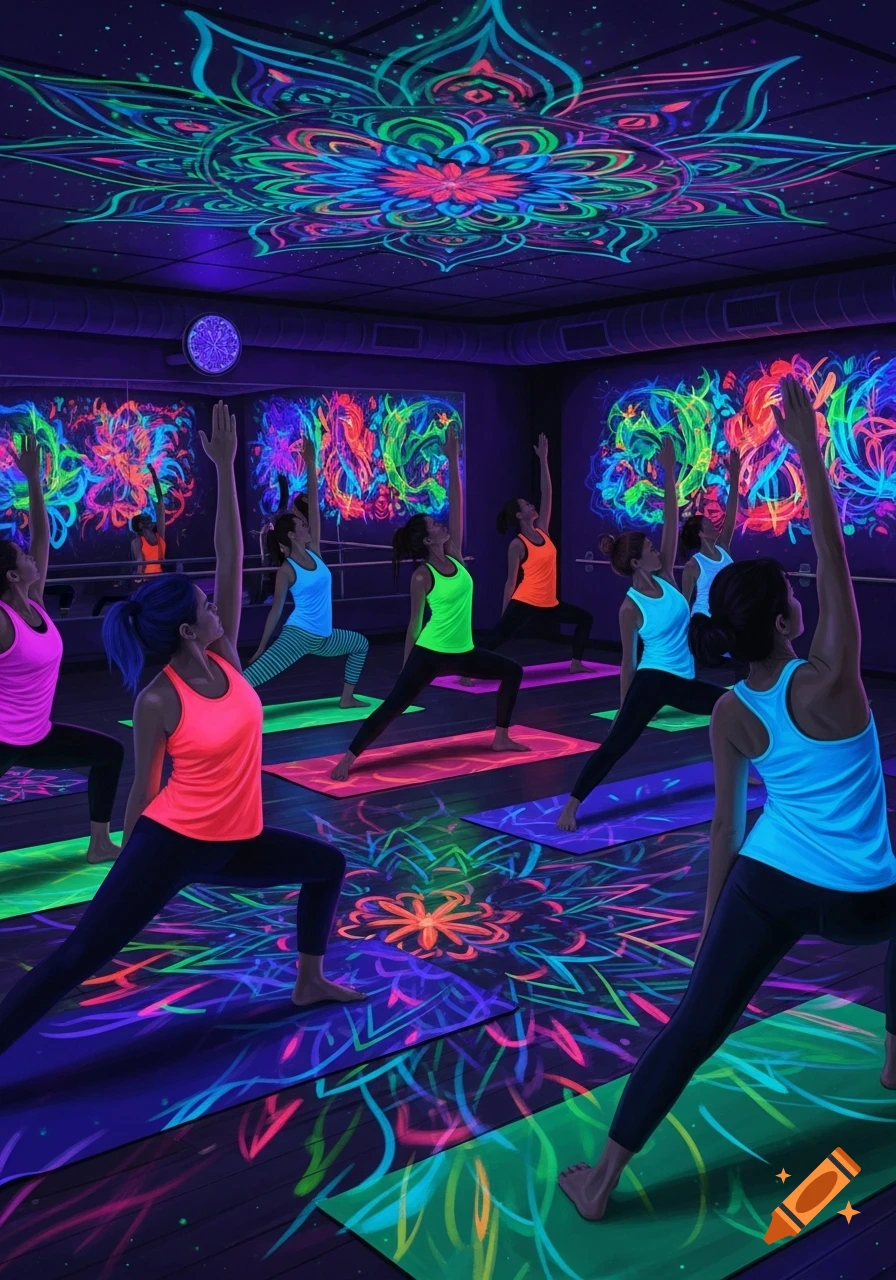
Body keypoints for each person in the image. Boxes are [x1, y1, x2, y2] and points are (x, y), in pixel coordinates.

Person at [558, 375, 896, 1222]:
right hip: (866, 899)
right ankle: (893, 1054)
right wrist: (812, 449)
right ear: (788, 624)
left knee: (696, 1024)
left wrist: (715, 923)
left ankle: (599, 1182)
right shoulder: (833, 681)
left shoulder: (730, 709)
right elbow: (831, 553)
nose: (804, 595)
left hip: (770, 881)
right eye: (793, 598)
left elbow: (726, 822)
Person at [0, 402, 362, 1059]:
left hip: (237, 841)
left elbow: (229, 558)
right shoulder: (159, 699)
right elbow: (143, 791)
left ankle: (309, 982)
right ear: (189, 631)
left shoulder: (223, 656)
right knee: (77, 955)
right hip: (172, 846)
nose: (219, 607)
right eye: (205, 608)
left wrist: (224, 469)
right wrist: (133, 867)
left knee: (326, 866)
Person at [330, 430, 525, 781]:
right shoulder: (423, 575)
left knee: (513, 671)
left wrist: (452, 461)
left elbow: (457, 506)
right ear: (427, 539)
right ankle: (348, 758)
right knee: (393, 706)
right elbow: (414, 624)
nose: (443, 524)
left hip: (464, 651)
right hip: (430, 651)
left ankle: (501, 738)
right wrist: (407, 665)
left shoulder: (455, 555)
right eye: (436, 525)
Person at [557, 438, 725, 832]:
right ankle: (572, 805)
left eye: (654, 546)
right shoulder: (630, 608)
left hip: (683, 678)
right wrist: (622, 706)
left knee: (732, 707)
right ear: (636, 562)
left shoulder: (667, 577)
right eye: (650, 549)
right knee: (617, 745)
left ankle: (743, 769)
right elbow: (627, 662)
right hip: (652, 681)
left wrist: (669, 471)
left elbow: (670, 516)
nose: (658, 550)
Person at [0, 434, 123, 863]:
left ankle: (99, 843)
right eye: (24, 559)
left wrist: (34, 479)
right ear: (12, 576)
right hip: (1, 737)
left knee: (109, 754)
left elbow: (42, 537)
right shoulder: (2, 619)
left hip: (36, 734)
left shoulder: (33, 602)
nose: (34, 560)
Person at [243, 437, 368, 707]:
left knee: (360, 644)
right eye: (301, 525)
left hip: (324, 637)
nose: (307, 525)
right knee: (251, 678)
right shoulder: (287, 570)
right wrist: (262, 647)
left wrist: (311, 464)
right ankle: (217, 710)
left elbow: (314, 505)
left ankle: (346, 699)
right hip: (300, 634)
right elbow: (275, 610)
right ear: (292, 535)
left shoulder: (315, 552)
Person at [480, 433, 593, 670]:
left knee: (585, 618)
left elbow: (547, 494)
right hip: (526, 601)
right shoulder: (518, 544)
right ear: (520, 515)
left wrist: (543, 460)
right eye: (526, 505)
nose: (532, 505)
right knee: (498, 636)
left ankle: (576, 663)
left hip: (549, 604)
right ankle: (468, 670)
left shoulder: (542, 530)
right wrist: (504, 612)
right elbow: (511, 581)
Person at [680, 449, 741, 615]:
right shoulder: (693, 565)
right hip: (705, 624)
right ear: (701, 533)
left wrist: (735, 476)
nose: (715, 525)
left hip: (727, 618)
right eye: (709, 525)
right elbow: (684, 604)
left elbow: (731, 514)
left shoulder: (723, 548)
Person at [130, 464, 166, 575]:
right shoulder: (137, 542)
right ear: (141, 525)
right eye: (144, 517)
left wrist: (154, 476)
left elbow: (161, 505)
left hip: (159, 579)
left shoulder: (159, 535)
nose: (148, 516)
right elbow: (139, 565)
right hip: (146, 582)